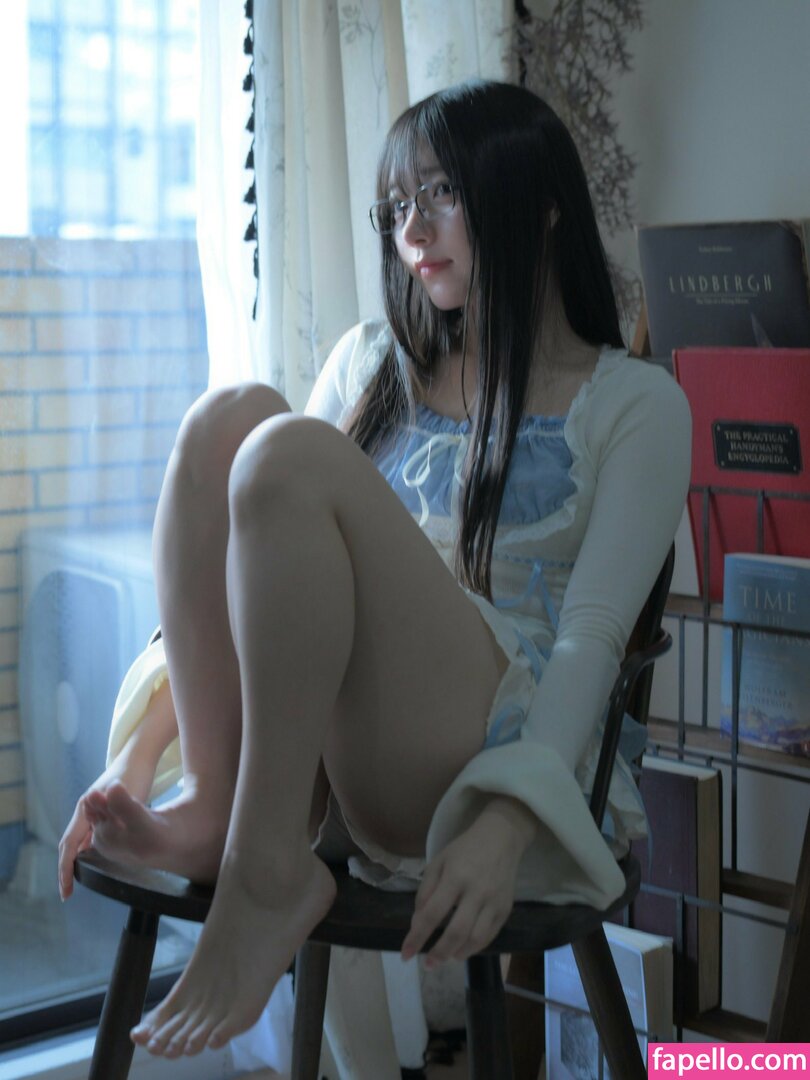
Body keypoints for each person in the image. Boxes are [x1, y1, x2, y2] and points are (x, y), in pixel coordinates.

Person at [57, 79, 691, 1059]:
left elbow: (594, 641)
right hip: (323, 757)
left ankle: (266, 867)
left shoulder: (634, 404)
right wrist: (136, 758)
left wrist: (507, 825)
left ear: (541, 203)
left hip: (481, 750)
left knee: (286, 452)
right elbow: (263, 601)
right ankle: (223, 807)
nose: (412, 231)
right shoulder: (370, 364)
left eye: (441, 194)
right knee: (229, 420)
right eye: (397, 205)